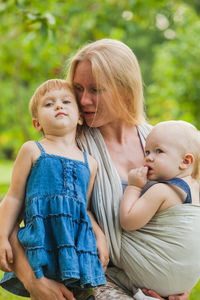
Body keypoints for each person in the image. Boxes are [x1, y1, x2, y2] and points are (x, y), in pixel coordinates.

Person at [0, 39, 192, 300]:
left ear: (126, 91)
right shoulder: (67, 144)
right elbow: (18, 211)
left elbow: (187, 215)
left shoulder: (158, 141)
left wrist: (181, 280)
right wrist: (34, 281)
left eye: (95, 90)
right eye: (77, 88)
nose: (83, 99)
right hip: (95, 278)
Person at [0, 79, 106, 299]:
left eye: (66, 101)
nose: (58, 106)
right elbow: (13, 198)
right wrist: (1, 236)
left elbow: (83, 209)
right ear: (37, 123)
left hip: (76, 251)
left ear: (79, 117)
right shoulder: (33, 150)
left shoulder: (90, 162)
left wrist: (100, 235)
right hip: (43, 245)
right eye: (49, 104)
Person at [119, 120, 200, 297]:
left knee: (111, 273)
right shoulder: (196, 188)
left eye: (159, 151)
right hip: (185, 282)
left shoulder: (161, 190)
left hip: (158, 276)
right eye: (147, 151)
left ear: (185, 161)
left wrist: (134, 187)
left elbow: (128, 221)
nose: (148, 157)